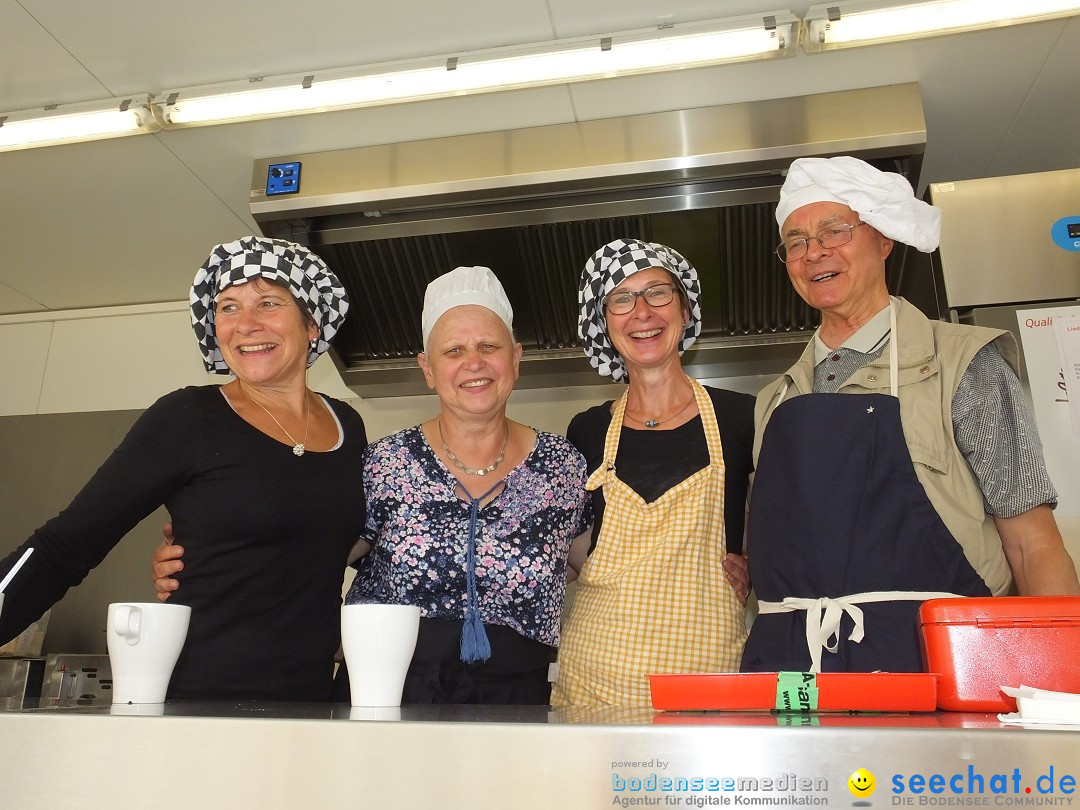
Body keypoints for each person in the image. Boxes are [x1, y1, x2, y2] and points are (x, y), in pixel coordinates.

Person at [157, 265, 593, 704]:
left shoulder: (564, 466)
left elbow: (587, 566)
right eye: (453, 350)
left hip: (514, 694)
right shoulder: (383, 463)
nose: (473, 362)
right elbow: (307, 555)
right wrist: (210, 557)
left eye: (488, 346)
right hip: (385, 691)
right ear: (427, 369)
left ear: (515, 358)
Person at [741, 156, 1080, 674]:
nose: (815, 252)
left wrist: (1057, 688)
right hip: (799, 671)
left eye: (835, 229)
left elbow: (1032, 545)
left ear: (884, 239)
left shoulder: (962, 364)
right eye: (796, 241)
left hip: (943, 664)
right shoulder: (775, 401)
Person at [0, 236, 366, 701]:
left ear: (311, 323)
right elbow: (67, 544)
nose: (245, 325)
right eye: (228, 307)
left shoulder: (345, 426)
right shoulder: (189, 417)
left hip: (311, 700)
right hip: (199, 697)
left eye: (268, 303)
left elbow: (336, 543)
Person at [550, 238, 756, 707]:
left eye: (657, 292)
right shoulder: (586, 429)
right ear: (605, 325)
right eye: (621, 299)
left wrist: (757, 563)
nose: (641, 311)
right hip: (596, 673)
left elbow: (781, 516)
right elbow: (579, 545)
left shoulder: (742, 416)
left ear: (684, 311)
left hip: (705, 678)